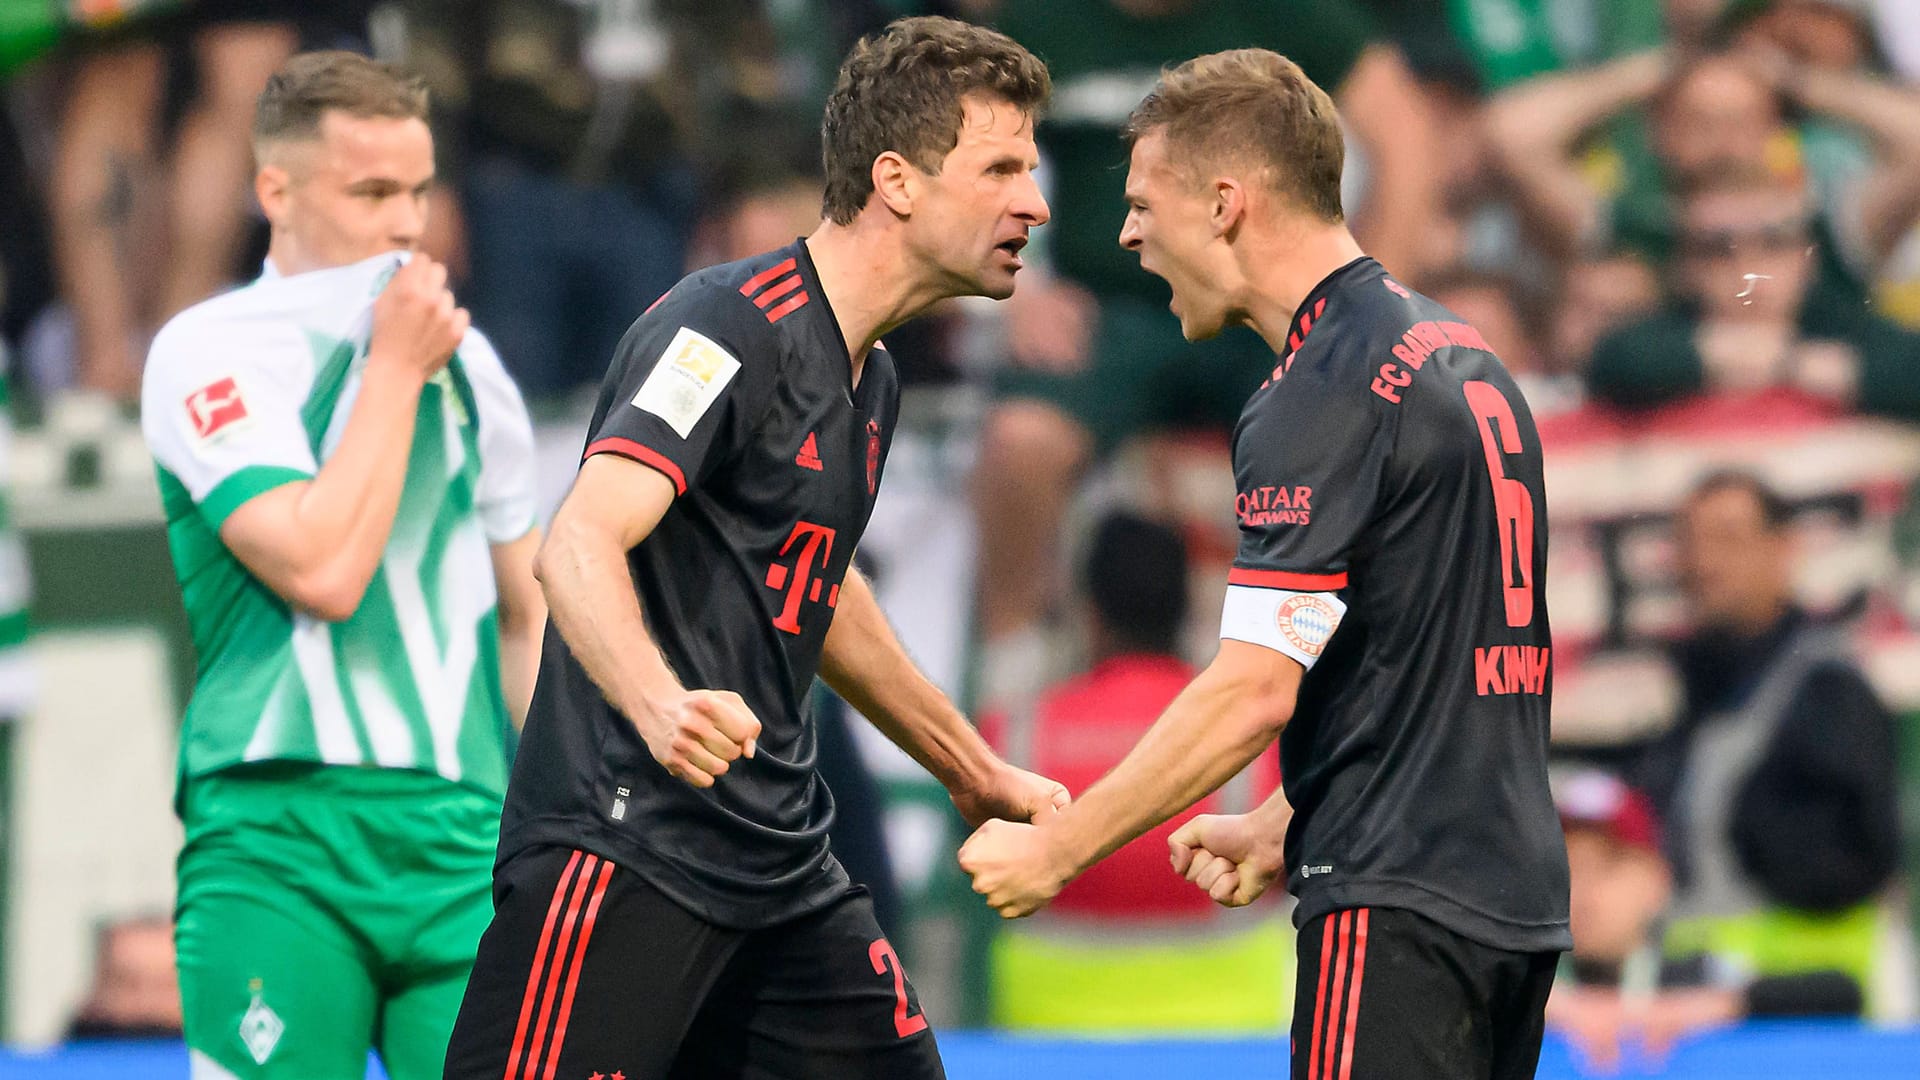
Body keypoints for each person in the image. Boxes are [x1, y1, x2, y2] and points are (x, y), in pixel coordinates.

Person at [442, 17, 1065, 1080]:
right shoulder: (725, 327)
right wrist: (660, 704)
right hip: (626, 850)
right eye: (1002, 166)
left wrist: (967, 767)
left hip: (778, 865)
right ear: (897, 182)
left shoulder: (873, 377)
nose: (1035, 204)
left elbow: (821, 592)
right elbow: (578, 542)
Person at [958, 48, 1571, 1080]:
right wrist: (1292, 814)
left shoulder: (1320, 389)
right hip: (1509, 900)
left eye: (1146, 202)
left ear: (1227, 204)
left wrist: (1061, 849)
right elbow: (1445, 676)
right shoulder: (1460, 354)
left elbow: (1249, 694)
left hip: (1394, 909)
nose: (1126, 233)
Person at [140, 51, 544, 1080]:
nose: (406, 225)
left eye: (417, 191)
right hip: (279, 833)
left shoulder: (477, 366)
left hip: (462, 841)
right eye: (371, 192)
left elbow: (525, 611)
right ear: (274, 189)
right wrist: (397, 367)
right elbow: (321, 569)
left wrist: (556, 818)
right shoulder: (209, 350)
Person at [970, 0, 1442, 703]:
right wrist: (1015, 282)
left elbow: (1407, 140)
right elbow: (958, 165)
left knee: (1367, 437)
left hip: (1260, 307)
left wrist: (1362, 305)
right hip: (1110, 313)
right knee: (1019, 444)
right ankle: (1009, 680)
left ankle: (1367, 671)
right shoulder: (1037, 24)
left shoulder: (1296, 18)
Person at [982, 511, 1287, 1033]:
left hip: (1048, 1048)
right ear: (1189, 606)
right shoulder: (1262, 735)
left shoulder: (1012, 735)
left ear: (1092, 611)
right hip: (1233, 1047)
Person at [1636, 469, 1903, 1012]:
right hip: (1696, 1018)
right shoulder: (1693, 693)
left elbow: (1849, 860)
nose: (1703, 563)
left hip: (1810, 1023)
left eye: (1729, 538)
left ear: (1784, 549)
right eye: (1689, 541)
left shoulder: (1828, 691)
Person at [1545, 768, 1866, 1072]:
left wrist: (1696, 1009)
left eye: (1607, 867)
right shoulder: (1530, 981)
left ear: (1657, 881)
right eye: (1564, 867)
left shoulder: (1697, 972)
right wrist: (1556, 1008)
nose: (1582, 890)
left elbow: (1842, 992)